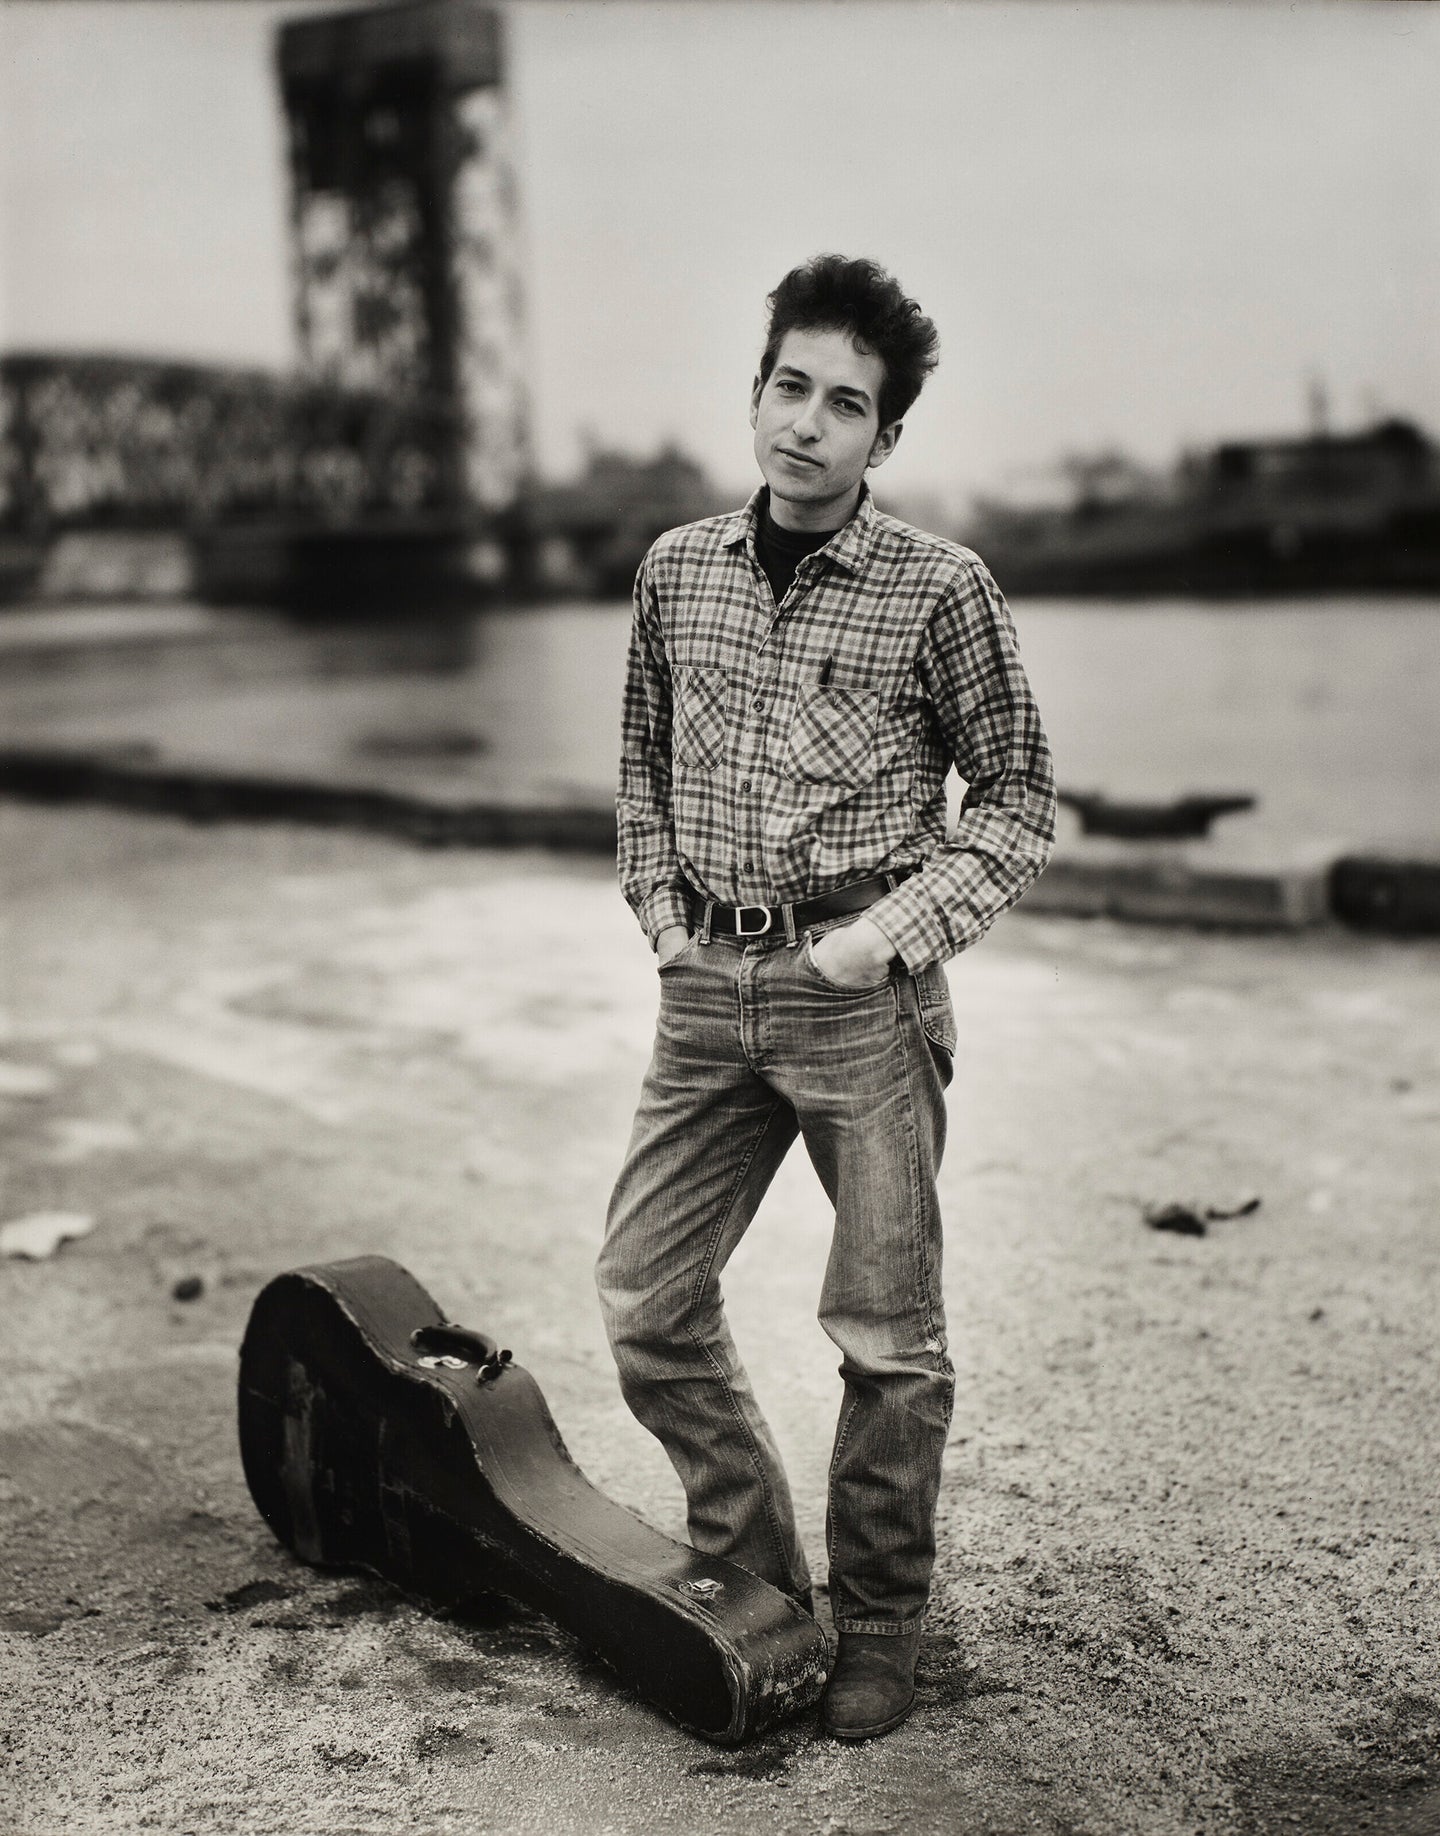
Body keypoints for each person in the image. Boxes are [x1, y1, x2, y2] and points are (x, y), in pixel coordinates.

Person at [596, 254, 1056, 1740]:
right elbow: (642, 771)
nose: (805, 424)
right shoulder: (677, 569)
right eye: (787, 387)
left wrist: (890, 939)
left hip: (860, 994)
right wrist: (664, 917)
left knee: (884, 1336)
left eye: (843, 404)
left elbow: (1020, 798)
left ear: (885, 437)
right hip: (703, 992)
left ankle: (884, 1624)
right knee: (647, 1301)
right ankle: (753, 1569)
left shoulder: (943, 591)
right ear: (755, 393)